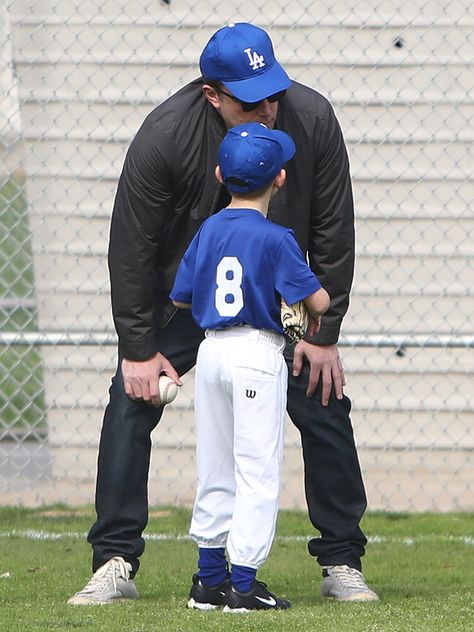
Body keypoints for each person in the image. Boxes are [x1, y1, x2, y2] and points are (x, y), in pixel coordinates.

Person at [67, 21, 379, 606]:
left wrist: (323, 331)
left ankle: (342, 560)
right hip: (191, 309)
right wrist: (138, 348)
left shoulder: (310, 119)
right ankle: (114, 558)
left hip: (275, 305)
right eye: (250, 98)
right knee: (129, 401)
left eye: (274, 91)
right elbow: (131, 248)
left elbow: (334, 229)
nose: (267, 106)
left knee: (324, 398)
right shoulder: (165, 137)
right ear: (213, 95)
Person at [170, 122, 330, 612]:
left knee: (215, 464)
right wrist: (296, 305)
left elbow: (180, 298)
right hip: (256, 352)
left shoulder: (209, 228)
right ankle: (243, 584)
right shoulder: (277, 237)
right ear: (279, 180)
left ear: (220, 175)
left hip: (211, 351)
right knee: (257, 469)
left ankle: (208, 580)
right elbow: (319, 301)